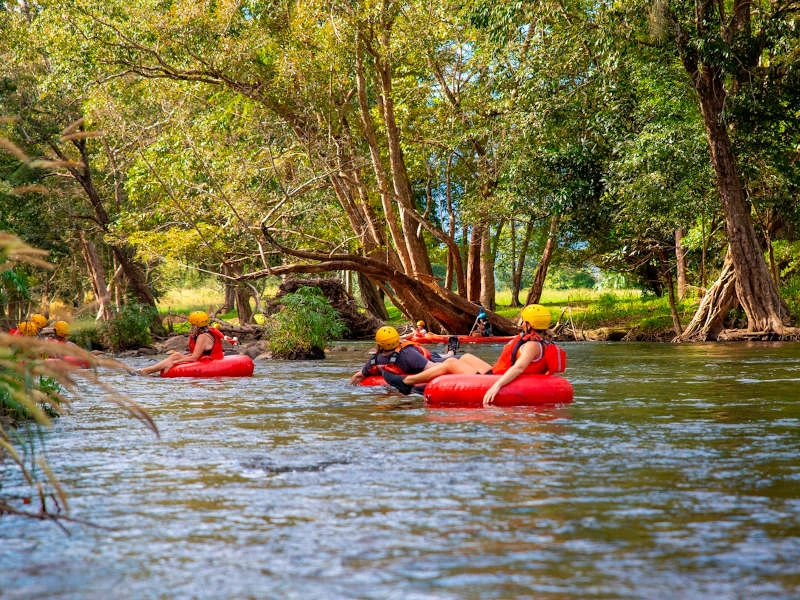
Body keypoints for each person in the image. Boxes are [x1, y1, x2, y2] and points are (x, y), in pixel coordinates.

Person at [383, 304, 565, 405]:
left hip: (498, 379)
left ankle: (407, 383)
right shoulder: (540, 341)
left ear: (528, 324)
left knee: (450, 364)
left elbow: (518, 368)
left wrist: (496, 387)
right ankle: (426, 385)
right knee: (465, 357)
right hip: (496, 373)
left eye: (523, 321)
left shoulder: (532, 346)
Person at [349, 326, 455, 386]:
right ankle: (450, 351)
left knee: (447, 356)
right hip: (421, 359)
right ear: (397, 339)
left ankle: (451, 350)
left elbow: (358, 376)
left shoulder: (374, 360)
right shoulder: (409, 354)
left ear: (379, 344)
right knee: (447, 358)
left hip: (424, 356)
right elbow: (437, 368)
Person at [136, 311, 224, 376]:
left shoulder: (202, 337)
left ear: (197, 325)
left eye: (192, 325)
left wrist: (175, 362)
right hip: (206, 358)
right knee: (176, 355)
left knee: (175, 358)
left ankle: (145, 371)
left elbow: (194, 357)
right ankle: (145, 370)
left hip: (211, 360)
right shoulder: (205, 333)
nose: (191, 327)